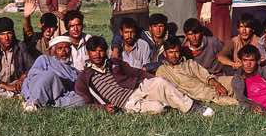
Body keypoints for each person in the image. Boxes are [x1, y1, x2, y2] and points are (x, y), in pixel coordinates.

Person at [75, 36, 214, 116]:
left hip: (137, 88)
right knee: (158, 109)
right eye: (94, 51)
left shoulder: (114, 63)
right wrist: (103, 108)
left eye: (101, 51)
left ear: (105, 52)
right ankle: (171, 102)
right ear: (88, 53)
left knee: (159, 81)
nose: (98, 55)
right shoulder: (85, 76)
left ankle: (193, 108)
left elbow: (137, 72)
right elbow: (85, 102)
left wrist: (149, 79)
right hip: (126, 103)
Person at [156, 37, 237, 106]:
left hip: (211, 83)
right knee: (235, 102)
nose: (174, 55)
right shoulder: (162, 71)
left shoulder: (189, 63)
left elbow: (205, 76)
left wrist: (218, 85)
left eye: (176, 52)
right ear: (164, 54)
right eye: (170, 52)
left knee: (236, 80)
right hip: (201, 94)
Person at [21, 36, 85, 111]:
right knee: (50, 75)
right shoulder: (45, 59)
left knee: (81, 100)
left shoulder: (74, 71)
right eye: (60, 48)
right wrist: (55, 78)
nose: (64, 51)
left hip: (59, 94)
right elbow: (32, 77)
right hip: (40, 87)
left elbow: (74, 89)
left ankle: (47, 104)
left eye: (66, 48)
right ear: (54, 51)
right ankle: (34, 102)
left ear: (70, 50)